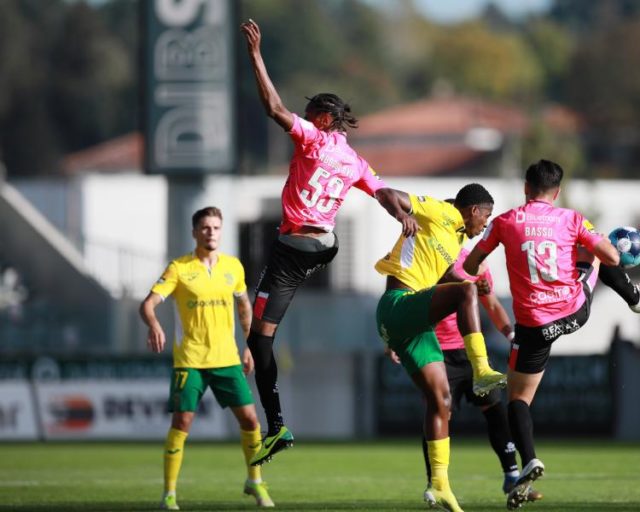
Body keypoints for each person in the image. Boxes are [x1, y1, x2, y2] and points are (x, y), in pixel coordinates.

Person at [240, 19, 418, 466]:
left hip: (294, 246)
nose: (304, 118)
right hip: (326, 246)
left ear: (322, 119)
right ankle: (276, 421)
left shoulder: (313, 140)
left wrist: (256, 57)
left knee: (260, 341)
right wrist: (403, 215)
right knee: (275, 304)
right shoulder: (354, 159)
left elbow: (273, 107)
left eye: (311, 113)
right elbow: (383, 193)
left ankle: (276, 425)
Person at [463, 160, 640, 509]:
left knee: (517, 401)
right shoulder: (571, 219)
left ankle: (529, 459)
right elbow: (610, 256)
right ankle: (636, 298)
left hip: (532, 326)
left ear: (525, 188)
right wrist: (606, 243)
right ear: (556, 193)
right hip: (571, 312)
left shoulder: (504, 222)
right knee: (592, 253)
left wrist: (483, 261)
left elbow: (470, 266)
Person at [375, 184, 506, 512]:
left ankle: (440, 486)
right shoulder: (443, 212)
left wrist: (476, 282)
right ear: (473, 211)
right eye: (486, 216)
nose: (486, 225)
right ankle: (481, 368)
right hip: (397, 304)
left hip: (410, 325)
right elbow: (384, 193)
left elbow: (449, 276)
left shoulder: (455, 238)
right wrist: (402, 214)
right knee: (464, 293)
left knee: (442, 400)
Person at [139, 207, 274, 510]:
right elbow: (147, 304)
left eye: (215, 227)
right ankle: (169, 494)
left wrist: (250, 345)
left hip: (226, 359)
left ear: (221, 231)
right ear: (195, 232)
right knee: (182, 422)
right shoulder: (179, 268)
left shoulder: (233, 267)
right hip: (190, 360)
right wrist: (154, 324)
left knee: (251, 420)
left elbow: (243, 307)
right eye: (205, 227)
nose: (211, 232)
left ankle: (255, 481)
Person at [401, 246, 544, 504]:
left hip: (471, 352)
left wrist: (512, 335)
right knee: (438, 413)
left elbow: (491, 304)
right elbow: (404, 300)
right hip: (437, 353)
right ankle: (436, 483)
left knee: (496, 409)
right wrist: (397, 341)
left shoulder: (475, 261)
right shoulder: (426, 256)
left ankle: (512, 476)